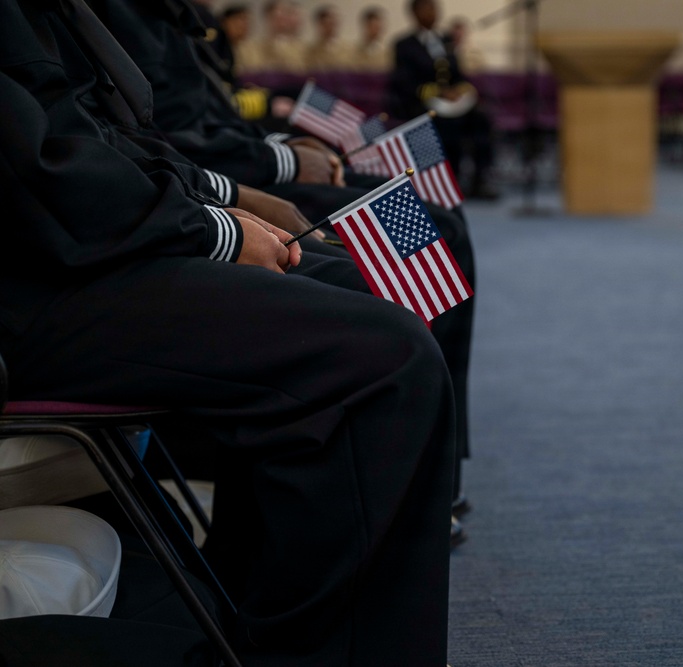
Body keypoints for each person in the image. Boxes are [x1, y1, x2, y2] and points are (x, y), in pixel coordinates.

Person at [0, 1, 455, 665]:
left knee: (369, 288)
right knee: (381, 358)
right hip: (31, 286)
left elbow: (111, 138)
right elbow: (43, 169)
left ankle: (245, 605)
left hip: (78, 248)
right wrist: (214, 224)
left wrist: (216, 209)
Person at [90, 0, 478, 537]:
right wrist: (281, 161)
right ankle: (412, 484)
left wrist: (281, 144)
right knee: (395, 268)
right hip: (210, 190)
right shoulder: (125, 12)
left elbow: (208, 122)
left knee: (433, 231)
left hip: (222, 176)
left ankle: (439, 469)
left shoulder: (173, 15)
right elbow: (168, 139)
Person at [389, 0, 499, 199]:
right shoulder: (404, 44)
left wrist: (461, 90)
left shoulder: (446, 39)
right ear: (414, 13)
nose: (432, 13)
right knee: (447, 125)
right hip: (421, 102)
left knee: (481, 118)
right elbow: (404, 82)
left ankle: (480, 179)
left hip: (451, 103)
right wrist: (438, 92)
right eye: (426, 9)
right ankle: (449, 180)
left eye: (434, 8)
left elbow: (457, 74)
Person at [235, 0, 307, 74]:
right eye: (277, 17)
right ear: (268, 18)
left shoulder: (300, 49)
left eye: (285, 16)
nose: (282, 22)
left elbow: (300, 72)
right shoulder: (248, 48)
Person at [304, 4, 346, 71]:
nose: (333, 24)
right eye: (330, 20)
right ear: (320, 23)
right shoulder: (311, 51)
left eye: (335, 20)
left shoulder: (347, 48)